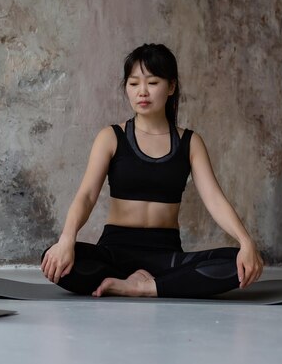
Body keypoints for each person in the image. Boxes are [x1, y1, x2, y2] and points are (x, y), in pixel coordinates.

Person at [41, 43, 263, 298]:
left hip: (166, 256)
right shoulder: (111, 137)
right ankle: (156, 284)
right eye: (134, 84)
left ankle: (146, 287)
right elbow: (87, 196)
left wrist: (246, 242)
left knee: (234, 263)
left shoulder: (190, 142)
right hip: (114, 253)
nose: (142, 92)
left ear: (171, 87)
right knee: (54, 257)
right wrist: (67, 240)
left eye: (153, 82)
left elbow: (214, 199)